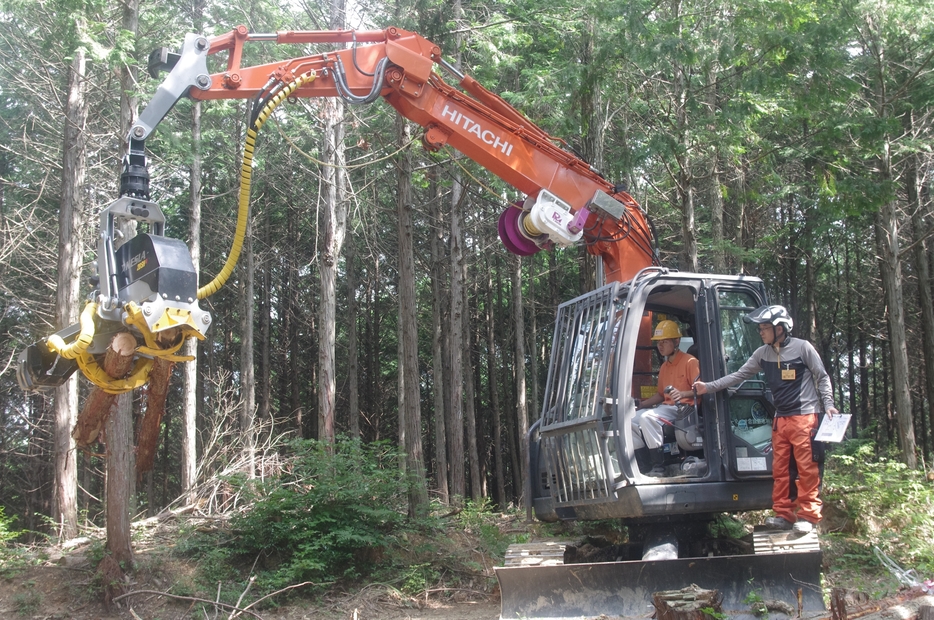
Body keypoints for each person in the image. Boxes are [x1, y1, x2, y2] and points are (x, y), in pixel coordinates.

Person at [693, 305, 838, 534]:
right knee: (780, 470)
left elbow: (822, 377)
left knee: (807, 470)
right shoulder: (763, 353)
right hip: (780, 420)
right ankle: (784, 514)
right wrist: (708, 387)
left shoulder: (803, 348)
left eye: (765, 328)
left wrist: (828, 404)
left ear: (780, 328)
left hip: (804, 418)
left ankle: (808, 517)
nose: (761, 332)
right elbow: (739, 375)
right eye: (760, 328)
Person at [632, 320, 700, 477]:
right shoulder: (664, 367)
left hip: (684, 409)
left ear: (676, 341)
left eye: (664, 342)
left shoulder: (690, 361)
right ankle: (644, 466)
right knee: (629, 421)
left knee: (648, 418)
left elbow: (700, 390)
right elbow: (661, 395)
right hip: (666, 408)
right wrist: (641, 405)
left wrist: (683, 394)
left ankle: (659, 465)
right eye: (658, 342)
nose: (660, 346)